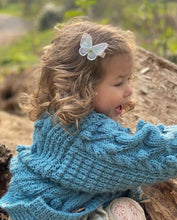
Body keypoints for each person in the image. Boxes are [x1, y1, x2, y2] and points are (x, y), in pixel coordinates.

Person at [0, 18, 177, 220]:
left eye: (129, 80)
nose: (129, 91)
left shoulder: (57, 116)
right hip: (56, 211)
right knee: (125, 211)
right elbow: (149, 156)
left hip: (51, 197)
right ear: (84, 87)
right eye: (119, 83)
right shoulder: (88, 138)